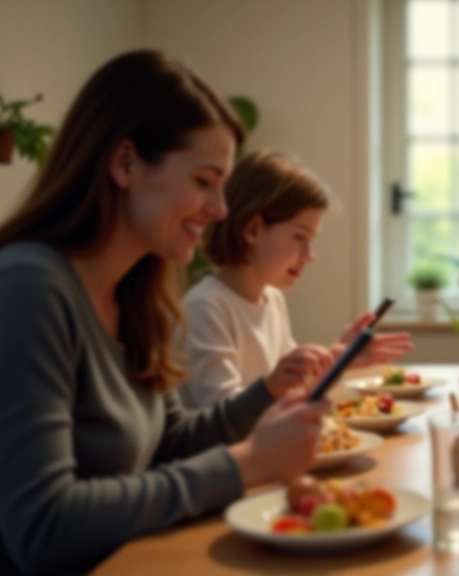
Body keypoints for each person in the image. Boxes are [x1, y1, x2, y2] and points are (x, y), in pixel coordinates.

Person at [0, 51, 332, 575]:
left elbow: (169, 444)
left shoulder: (136, 294)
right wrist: (249, 463)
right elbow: (42, 527)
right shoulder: (28, 287)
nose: (222, 208)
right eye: (204, 181)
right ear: (125, 163)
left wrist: (268, 399)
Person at [179, 150, 412, 409]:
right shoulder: (206, 308)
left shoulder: (272, 299)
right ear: (253, 230)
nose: (310, 255)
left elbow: (291, 389)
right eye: (300, 237)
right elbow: (221, 417)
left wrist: (338, 357)